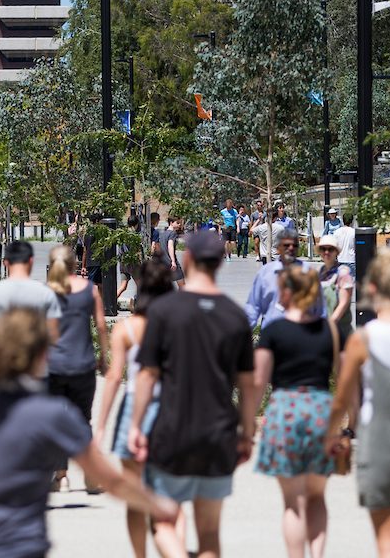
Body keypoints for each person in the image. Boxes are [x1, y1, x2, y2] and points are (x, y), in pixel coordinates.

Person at [0, 308, 181, 558]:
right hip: (20, 547)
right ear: (42, 354)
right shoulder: (52, 415)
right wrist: (157, 506)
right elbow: (111, 481)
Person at [129, 229, 257, 558]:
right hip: (218, 433)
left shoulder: (165, 311)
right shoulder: (235, 316)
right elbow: (248, 383)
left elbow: (147, 375)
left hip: (173, 430)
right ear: (221, 262)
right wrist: (247, 433)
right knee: (210, 532)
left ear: (187, 259)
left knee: (163, 522)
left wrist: (136, 426)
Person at [326, 248, 390, 558]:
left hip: (380, 442)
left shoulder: (364, 338)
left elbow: (343, 398)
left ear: (372, 289)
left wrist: (331, 435)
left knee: (387, 542)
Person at [95, 261, 182, 558]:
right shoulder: (178, 326)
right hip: (172, 406)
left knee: (135, 494)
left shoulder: (127, 328)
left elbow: (114, 376)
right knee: (170, 493)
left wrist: (102, 425)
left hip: (134, 405)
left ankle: (140, 554)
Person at [252, 263, 340, 558]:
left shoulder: (274, 331)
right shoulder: (328, 329)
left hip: (285, 409)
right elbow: (340, 376)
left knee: (293, 502)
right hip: (320, 410)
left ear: (288, 293)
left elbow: (259, 380)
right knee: (316, 496)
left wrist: (246, 422)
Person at [45, 244, 110, 490]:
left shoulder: (46, 293)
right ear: (76, 264)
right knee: (83, 420)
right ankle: (92, 476)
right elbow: (102, 326)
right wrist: (104, 357)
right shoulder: (90, 290)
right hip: (82, 364)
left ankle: (61, 475)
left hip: (53, 367)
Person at [0, 240, 62, 342]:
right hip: (34, 353)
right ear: (31, 261)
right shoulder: (46, 293)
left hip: (4, 352)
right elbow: (53, 333)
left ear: (5, 263)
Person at [245, 227, 301, 329]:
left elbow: (319, 309)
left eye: (295, 245)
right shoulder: (265, 273)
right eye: (286, 245)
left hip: (298, 331)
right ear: (278, 248)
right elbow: (253, 307)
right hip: (270, 330)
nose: (291, 248)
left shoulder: (308, 272)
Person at [316, 235, 354, 341]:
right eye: (323, 249)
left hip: (340, 332)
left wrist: (329, 326)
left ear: (336, 252)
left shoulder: (343, 273)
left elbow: (343, 304)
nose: (326, 252)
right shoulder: (319, 272)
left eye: (330, 249)